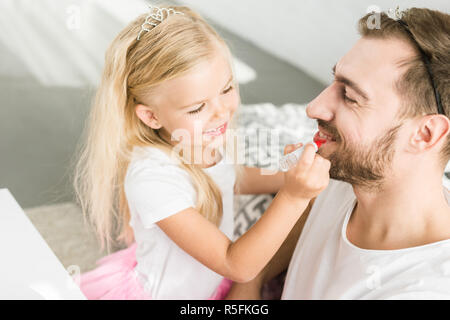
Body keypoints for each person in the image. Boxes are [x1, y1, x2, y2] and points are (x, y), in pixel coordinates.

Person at [73, 5, 330, 300]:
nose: (222, 112)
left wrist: (288, 177)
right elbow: (236, 265)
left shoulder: (199, 141)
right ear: (152, 116)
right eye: (197, 107)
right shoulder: (152, 178)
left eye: (227, 88)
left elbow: (229, 179)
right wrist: (293, 195)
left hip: (212, 281)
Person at [227, 7, 450, 300]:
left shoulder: (420, 289)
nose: (313, 108)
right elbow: (306, 206)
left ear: (425, 135)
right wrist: (250, 283)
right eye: (334, 82)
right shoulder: (344, 171)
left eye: (350, 96)